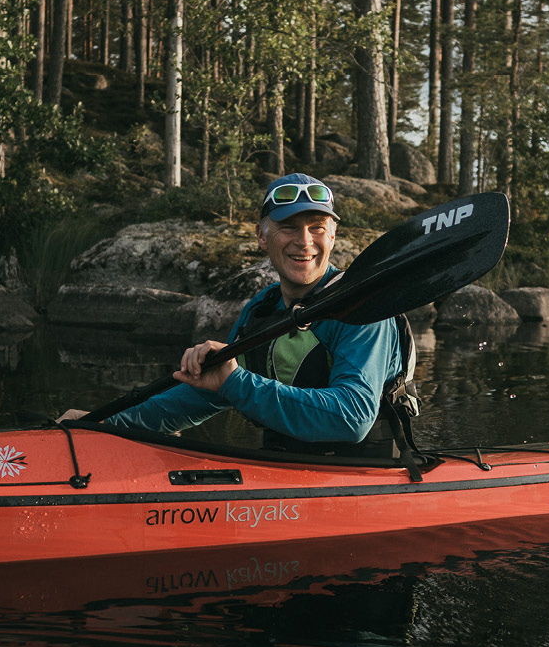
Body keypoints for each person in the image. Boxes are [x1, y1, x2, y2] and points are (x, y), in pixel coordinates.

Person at [63, 173, 413, 455]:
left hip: (365, 478)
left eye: (317, 227)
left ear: (333, 236)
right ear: (263, 237)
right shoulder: (260, 310)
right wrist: (106, 424)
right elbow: (207, 392)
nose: (304, 241)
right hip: (280, 469)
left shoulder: (364, 310)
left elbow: (351, 419)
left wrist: (236, 381)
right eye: (289, 227)